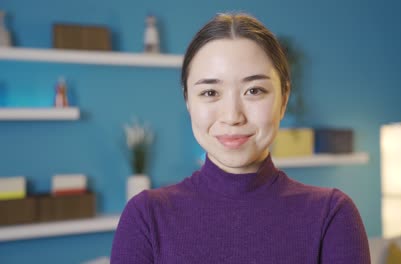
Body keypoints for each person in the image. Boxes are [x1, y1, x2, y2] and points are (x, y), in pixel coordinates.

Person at [111, 12, 371, 264]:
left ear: (284, 99)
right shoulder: (145, 217)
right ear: (188, 100)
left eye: (254, 90)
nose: (233, 116)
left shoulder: (332, 215)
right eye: (210, 92)